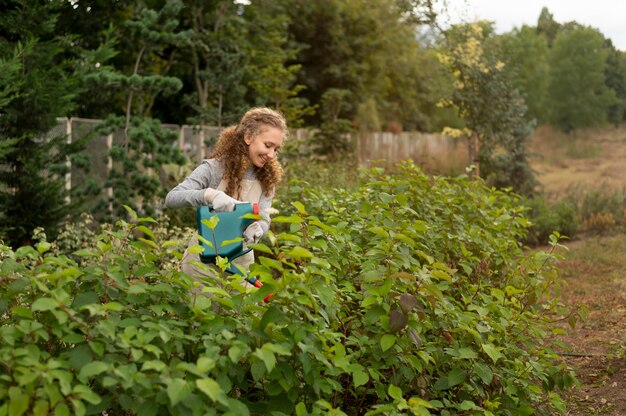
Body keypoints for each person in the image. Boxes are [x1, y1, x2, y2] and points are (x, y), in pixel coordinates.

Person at [165, 107, 286, 282]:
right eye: (268, 145)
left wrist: (259, 227)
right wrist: (209, 195)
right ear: (248, 137)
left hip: (241, 265)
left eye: (276, 149)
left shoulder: (267, 178)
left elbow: (265, 217)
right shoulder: (214, 169)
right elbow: (172, 198)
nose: (271, 154)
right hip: (203, 266)